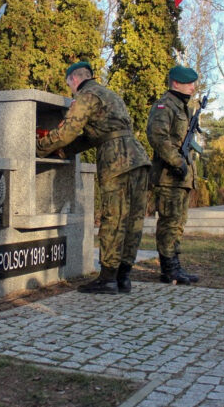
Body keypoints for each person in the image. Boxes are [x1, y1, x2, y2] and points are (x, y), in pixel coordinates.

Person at [36, 62, 150, 294]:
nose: (70, 90)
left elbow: (67, 132)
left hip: (116, 160)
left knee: (114, 218)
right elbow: (93, 136)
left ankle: (107, 279)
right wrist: (64, 151)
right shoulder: (110, 95)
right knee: (133, 220)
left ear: (73, 80)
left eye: (69, 85)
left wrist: (39, 147)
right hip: (138, 157)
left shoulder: (86, 96)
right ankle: (123, 277)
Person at [146, 65, 201, 285]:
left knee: (178, 223)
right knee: (169, 223)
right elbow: (157, 137)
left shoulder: (184, 108)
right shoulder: (164, 105)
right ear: (176, 83)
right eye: (189, 83)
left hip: (181, 178)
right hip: (169, 177)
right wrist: (177, 161)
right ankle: (169, 270)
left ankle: (175, 266)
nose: (193, 87)